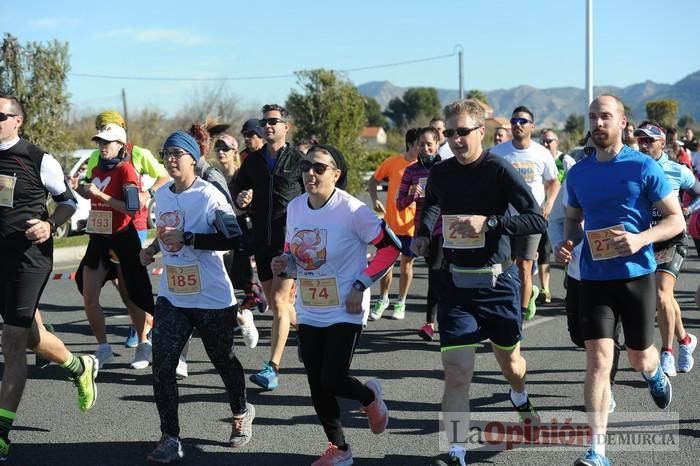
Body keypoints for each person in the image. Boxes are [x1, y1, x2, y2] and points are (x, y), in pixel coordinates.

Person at [412, 99, 547, 466]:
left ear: (480, 132)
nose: (455, 139)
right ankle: (456, 451)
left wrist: (489, 224)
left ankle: (519, 396)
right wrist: (423, 232)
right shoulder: (441, 172)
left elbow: (536, 220)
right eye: (449, 133)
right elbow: (433, 204)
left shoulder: (498, 170)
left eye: (462, 132)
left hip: (498, 285)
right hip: (456, 286)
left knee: (512, 365)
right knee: (456, 374)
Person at [555, 95, 685, 466]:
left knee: (638, 356)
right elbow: (573, 220)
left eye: (605, 117)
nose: (598, 123)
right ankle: (597, 449)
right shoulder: (579, 171)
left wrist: (641, 238)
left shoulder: (643, 167)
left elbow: (674, 219)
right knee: (597, 360)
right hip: (595, 279)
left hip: (636, 277)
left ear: (622, 122)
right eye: (593, 117)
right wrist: (567, 244)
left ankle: (655, 371)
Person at [271, 144, 399, 465]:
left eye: (319, 168)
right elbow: (294, 252)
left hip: (347, 305)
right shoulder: (296, 206)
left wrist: (361, 284)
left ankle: (370, 398)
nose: (310, 173)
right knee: (317, 384)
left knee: (333, 378)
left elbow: (390, 249)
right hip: (311, 305)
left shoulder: (353, 210)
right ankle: (339, 449)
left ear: (336, 174)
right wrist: (284, 262)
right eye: (305, 167)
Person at [140, 131, 253, 463]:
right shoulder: (162, 196)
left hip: (212, 298)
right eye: (166, 154)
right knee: (162, 365)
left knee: (223, 360)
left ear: (192, 158)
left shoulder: (208, 196)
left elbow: (232, 236)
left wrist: (189, 237)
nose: (171, 159)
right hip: (173, 296)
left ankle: (241, 410)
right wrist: (151, 249)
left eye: (177, 153)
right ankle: (170, 437)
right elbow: (165, 235)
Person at [0, 94, 97, 461]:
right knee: (31, 337)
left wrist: (49, 224)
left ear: (17, 121)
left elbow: (70, 201)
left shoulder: (37, 159)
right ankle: (79, 365)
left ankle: (2, 434)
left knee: (11, 343)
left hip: (28, 259)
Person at [231, 104, 305, 390]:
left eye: (274, 121)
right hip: (261, 240)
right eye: (265, 122)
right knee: (280, 306)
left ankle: (272, 368)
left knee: (277, 302)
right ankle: (309, 337)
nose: (268, 126)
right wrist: (241, 198)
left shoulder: (299, 159)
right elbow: (237, 189)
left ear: (286, 126)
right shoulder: (252, 161)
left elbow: (315, 192)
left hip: (290, 241)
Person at [83, 110, 168, 349]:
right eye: (100, 129)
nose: (101, 139)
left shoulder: (138, 154)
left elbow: (163, 176)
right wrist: (82, 188)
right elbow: (90, 181)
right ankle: (136, 327)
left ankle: (140, 330)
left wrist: (147, 194)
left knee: (129, 283)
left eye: (108, 129)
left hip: (134, 225)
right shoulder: (94, 157)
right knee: (116, 284)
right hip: (101, 229)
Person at [76, 123, 155, 369]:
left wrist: (100, 196)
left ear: (121, 145)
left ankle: (143, 345)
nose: (102, 146)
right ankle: (103, 348)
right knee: (89, 295)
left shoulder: (127, 170)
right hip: (98, 238)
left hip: (123, 237)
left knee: (132, 294)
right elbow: (93, 193)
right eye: (99, 142)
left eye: (107, 142)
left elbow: (131, 208)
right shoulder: (97, 167)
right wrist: (84, 191)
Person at [635, 121, 700, 376]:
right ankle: (685, 340)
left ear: (662, 143)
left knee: (662, 294)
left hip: (672, 238)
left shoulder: (676, 170)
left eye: (649, 140)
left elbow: (697, 193)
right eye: (640, 140)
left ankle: (667, 352)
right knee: (665, 298)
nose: (643, 144)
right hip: (645, 239)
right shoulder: (632, 168)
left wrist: (686, 210)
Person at [491, 106, 560, 317]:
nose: (517, 124)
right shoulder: (497, 152)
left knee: (524, 266)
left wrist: (548, 204)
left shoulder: (542, 153)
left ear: (532, 126)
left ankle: (518, 315)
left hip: (531, 219)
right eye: (514, 121)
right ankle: (515, 300)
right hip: (504, 219)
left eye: (522, 121)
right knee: (505, 266)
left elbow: (553, 181)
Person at [367, 128, 419, 321]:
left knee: (406, 265)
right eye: (419, 144)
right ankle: (383, 298)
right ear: (410, 144)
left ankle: (401, 301)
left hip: (412, 226)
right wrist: (374, 201)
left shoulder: (425, 167)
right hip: (391, 224)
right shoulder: (393, 163)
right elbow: (373, 181)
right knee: (386, 265)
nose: (423, 148)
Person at [396, 127, 442, 340]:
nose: (424, 148)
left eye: (429, 144)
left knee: (439, 274)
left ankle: (432, 322)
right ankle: (432, 322)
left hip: (447, 228)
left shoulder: (447, 168)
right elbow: (399, 204)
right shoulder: (411, 171)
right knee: (435, 275)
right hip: (423, 230)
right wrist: (412, 197)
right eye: (421, 144)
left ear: (438, 144)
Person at [211, 130, 265, 313]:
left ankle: (254, 292)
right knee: (228, 274)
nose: (221, 152)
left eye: (225, 148)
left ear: (235, 151)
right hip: (222, 227)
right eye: (218, 148)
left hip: (244, 226)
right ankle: (251, 294)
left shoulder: (243, 174)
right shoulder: (214, 176)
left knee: (238, 271)